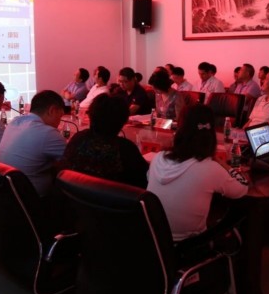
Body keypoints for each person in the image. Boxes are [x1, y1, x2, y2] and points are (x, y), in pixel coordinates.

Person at [147, 104, 248, 241]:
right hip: (189, 244)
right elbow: (241, 190)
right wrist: (225, 165)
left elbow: (149, 178)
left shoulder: (159, 157)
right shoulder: (210, 167)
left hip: (153, 238)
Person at [60, 94, 149, 189]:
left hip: (73, 195)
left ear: (91, 115)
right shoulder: (125, 148)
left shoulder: (78, 138)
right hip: (112, 197)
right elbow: (145, 180)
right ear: (124, 120)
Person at [0, 90, 66, 197]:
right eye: (60, 116)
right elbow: (72, 162)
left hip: (5, 194)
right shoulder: (47, 133)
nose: (59, 122)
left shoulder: (14, 122)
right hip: (33, 199)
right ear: (52, 110)